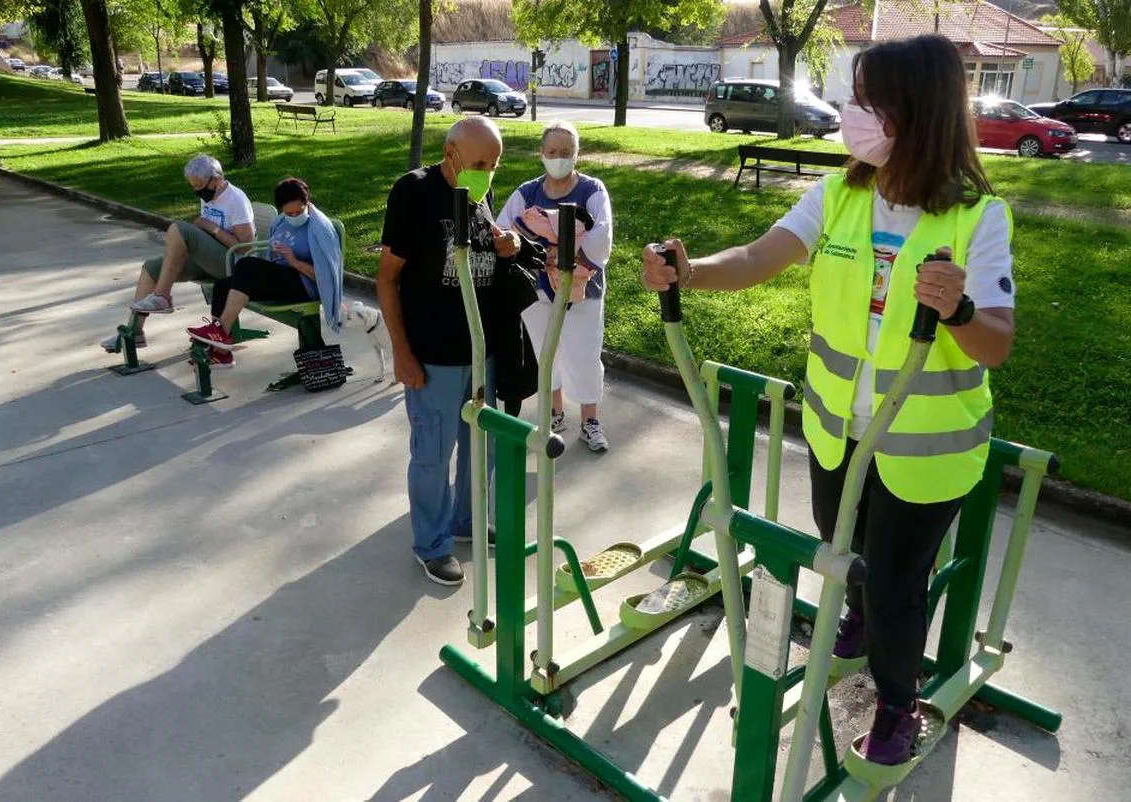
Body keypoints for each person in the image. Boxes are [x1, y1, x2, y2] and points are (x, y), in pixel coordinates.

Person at [641, 34, 1016, 766]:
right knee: (839, 547)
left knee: (897, 584)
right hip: (837, 427)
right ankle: (855, 616)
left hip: (924, 448)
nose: (852, 115)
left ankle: (897, 702)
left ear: (914, 113)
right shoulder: (841, 194)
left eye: (868, 102)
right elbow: (760, 256)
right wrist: (692, 274)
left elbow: (997, 342)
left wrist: (963, 311)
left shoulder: (978, 217)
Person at [377, 116, 523, 587]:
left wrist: (509, 246)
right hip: (434, 354)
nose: (488, 172)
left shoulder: (479, 193)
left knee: (482, 448)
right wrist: (401, 351)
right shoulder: (413, 192)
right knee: (433, 453)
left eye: (495, 164)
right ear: (451, 153)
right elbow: (387, 278)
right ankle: (432, 543)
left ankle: (464, 522)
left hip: (481, 352)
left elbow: (486, 248)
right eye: (480, 162)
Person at [497, 120, 614, 452]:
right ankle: (555, 413)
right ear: (542, 153)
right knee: (546, 350)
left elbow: (601, 235)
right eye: (552, 152)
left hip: (582, 288)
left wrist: (567, 259)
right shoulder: (528, 192)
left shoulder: (592, 190)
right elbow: (506, 230)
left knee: (585, 352)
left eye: (566, 152)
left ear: (577, 154)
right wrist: (524, 248)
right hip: (537, 287)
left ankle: (590, 420)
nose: (558, 157)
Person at [100, 153, 256, 353]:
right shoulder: (211, 194)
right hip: (210, 260)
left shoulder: (236, 199)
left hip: (232, 264)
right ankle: (135, 331)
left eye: (199, 187)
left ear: (216, 180)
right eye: (193, 186)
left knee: (178, 228)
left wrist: (212, 229)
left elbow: (246, 247)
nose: (196, 191)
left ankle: (162, 296)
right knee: (151, 268)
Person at [184, 176, 343, 369]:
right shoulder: (280, 223)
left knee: (248, 266)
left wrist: (293, 261)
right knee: (223, 286)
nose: (294, 216)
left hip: (304, 285)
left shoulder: (319, 228)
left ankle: (219, 335)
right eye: (289, 213)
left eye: (299, 211)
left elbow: (325, 277)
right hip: (280, 279)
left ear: (307, 202)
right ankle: (221, 353)